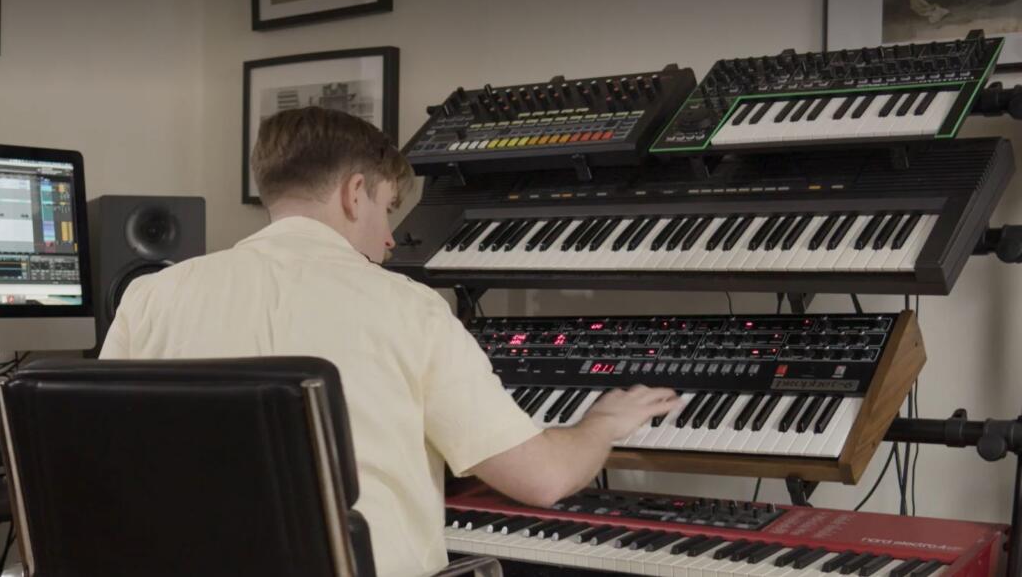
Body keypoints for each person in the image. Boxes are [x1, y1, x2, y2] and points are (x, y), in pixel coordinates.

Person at [99, 106, 681, 577]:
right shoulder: (409, 306)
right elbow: (543, 479)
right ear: (355, 193)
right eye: (388, 208)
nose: (388, 240)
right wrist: (603, 421)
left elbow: (106, 464)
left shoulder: (151, 295)